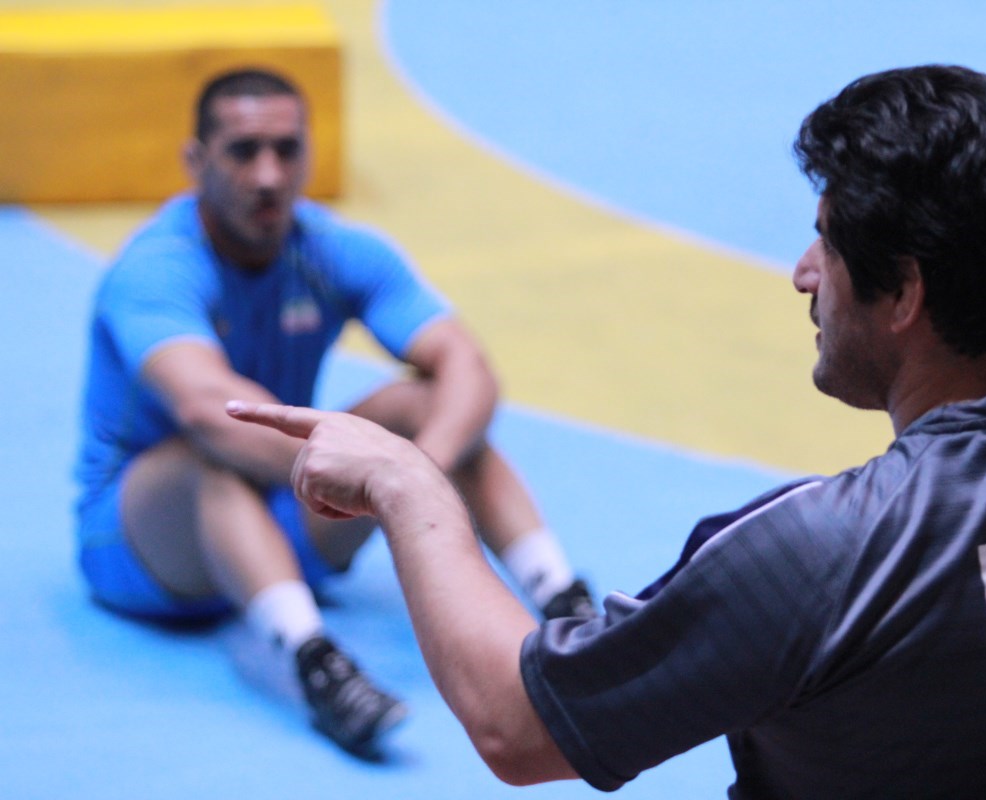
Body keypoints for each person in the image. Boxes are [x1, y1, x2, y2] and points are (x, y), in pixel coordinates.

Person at [228, 64, 986, 797]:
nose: (804, 273)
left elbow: (516, 727)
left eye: (827, 240)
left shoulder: (815, 554)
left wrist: (409, 487)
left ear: (904, 292)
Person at [73, 67, 596, 761]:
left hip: (281, 512)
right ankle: (313, 661)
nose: (268, 174)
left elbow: (468, 366)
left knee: (421, 405)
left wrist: (421, 469)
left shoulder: (334, 249)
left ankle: (569, 608)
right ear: (195, 161)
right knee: (213, 455)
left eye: (286, 150)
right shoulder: (156, 269)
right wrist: (385, 475)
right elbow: (208, 410)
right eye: (243, 151)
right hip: (144, 546)